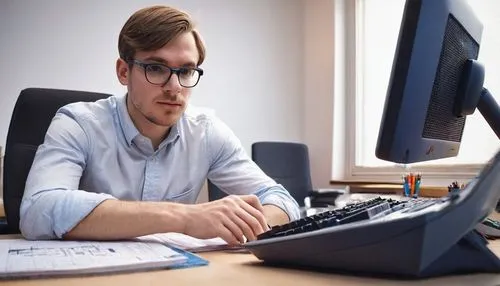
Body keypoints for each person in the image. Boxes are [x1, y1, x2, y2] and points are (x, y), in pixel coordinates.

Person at [19, 5, 300, 244]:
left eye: (186, 71)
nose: (174, 87)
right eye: (156, 67)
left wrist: (242, 223)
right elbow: (38, 210)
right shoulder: (78, 123)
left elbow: (281, 200)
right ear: (123, 72)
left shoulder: (207, 133)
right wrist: (184, 217)